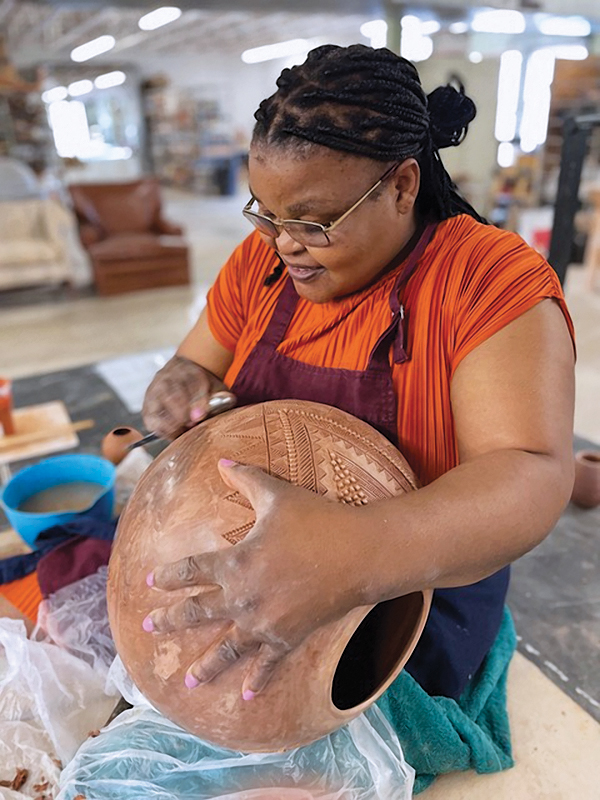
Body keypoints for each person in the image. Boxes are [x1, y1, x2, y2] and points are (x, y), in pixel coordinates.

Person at [141, 44, 575, 787]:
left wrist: (350, 557)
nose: (283, 244)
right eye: (266, 213)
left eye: (313, 221)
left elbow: (530, 473)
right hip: (252, 545)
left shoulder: (487, 279)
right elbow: (199, 362)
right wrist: (182, 377)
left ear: (402, 185)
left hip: (417, 580)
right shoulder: (267, 261)